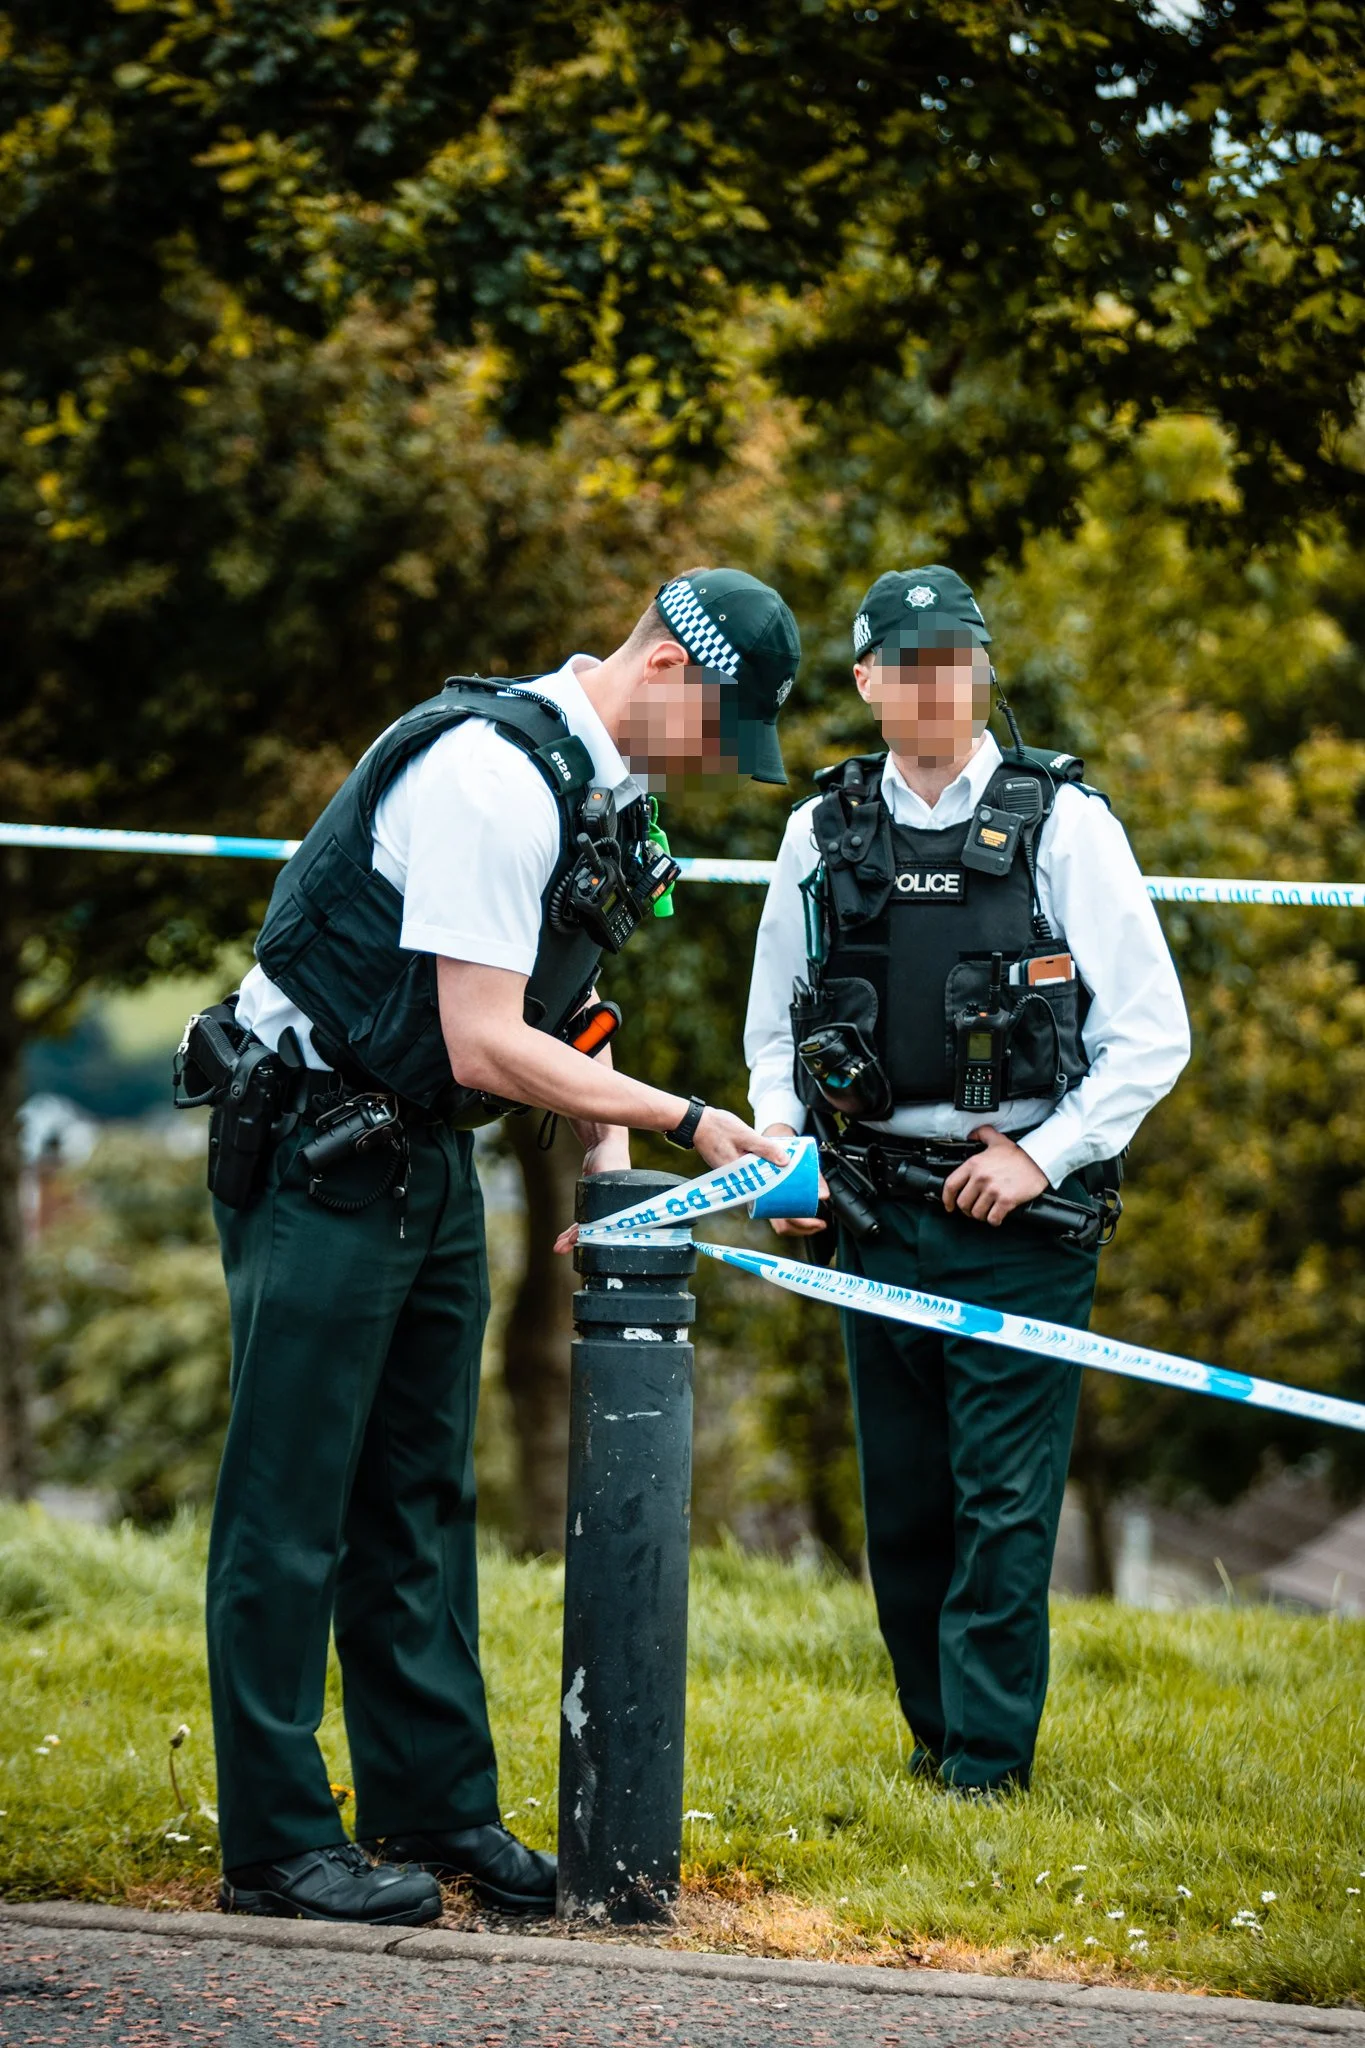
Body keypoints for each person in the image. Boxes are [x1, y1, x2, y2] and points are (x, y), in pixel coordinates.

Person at [179, 568, 801, 1925]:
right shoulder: (488, 779)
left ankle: (433, 1804)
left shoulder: (597, 792)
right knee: (293, 1507)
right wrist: (693, 1120)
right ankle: (279, 1848)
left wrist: (618, 1178)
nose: (710, 766)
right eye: (719, 731)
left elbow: (566, 1006)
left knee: (418, 1500)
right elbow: (482, 1036)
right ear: (665, 674)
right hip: (314, 1147)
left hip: (421, 1156)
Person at [743, 565, 1188, 1796]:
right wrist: (787, 1149)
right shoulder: (819, 833)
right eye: (913, 663)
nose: (940, 685)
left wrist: (1039, 1153)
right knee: (905, 1503)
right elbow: (774, 1028)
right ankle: (934, 1739)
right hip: (872, 1211)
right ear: (867, 681)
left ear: (983, 673)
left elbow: (1152, 1033)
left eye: (960, 662)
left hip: (1020, 1219)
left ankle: (986, 1769)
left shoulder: (1066, 825)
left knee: (1002, 1505)